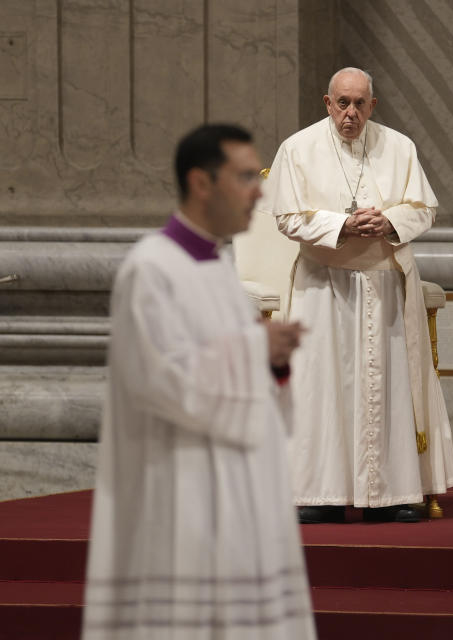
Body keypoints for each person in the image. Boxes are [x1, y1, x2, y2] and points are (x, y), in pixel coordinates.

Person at [82, 124, 315, 639]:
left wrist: (271, 360)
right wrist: (257, 348)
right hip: (178, 490)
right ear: (201, 183)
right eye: (244, 176)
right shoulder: (151, 269)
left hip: (233, 488)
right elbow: (163, 380)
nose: (259, 190)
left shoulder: (217, 268)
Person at [257, 67, 453, 524]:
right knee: (322, 389)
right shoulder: (298, 147)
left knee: (385, 387)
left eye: (359, 104)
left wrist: (388, 222)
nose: (351, 113)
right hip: (323, 287)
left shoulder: (399, 146)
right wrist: (342, 225)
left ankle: (392, 493)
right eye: (342, 103)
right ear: (326, 103)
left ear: (373, 105)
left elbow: (425, 208)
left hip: (385, 284)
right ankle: (319, 493)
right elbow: (286, 217)